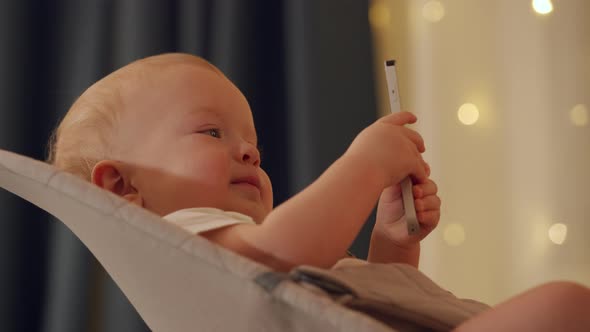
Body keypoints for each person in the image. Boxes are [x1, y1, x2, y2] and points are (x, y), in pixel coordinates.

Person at [47, 53, 590, 331]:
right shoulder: (182, 245)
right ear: (123, 186)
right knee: (562, 306)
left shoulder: (272, 259)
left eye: (252, 142)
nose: (250, 152)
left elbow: (374, 309)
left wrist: (392, 243)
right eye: (212, 132)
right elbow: (274, 252)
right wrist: (364, 164)